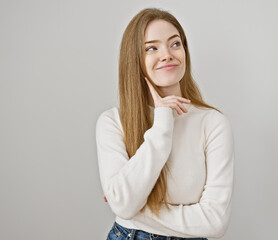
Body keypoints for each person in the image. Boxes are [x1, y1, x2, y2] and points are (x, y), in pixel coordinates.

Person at [96, 8, 235, 240]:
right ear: (134, 60)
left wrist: (131, 210)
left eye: (175, 44)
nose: (167, 55)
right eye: (152, 48)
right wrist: (162, 124)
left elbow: (215, 221)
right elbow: (123, 205)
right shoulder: (112, 122)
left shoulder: (213, 124)